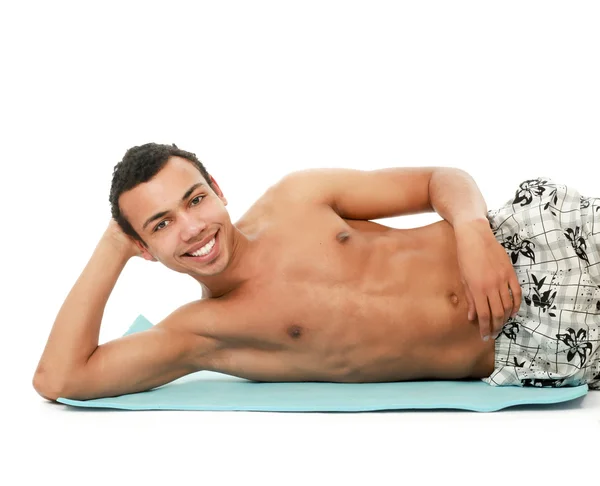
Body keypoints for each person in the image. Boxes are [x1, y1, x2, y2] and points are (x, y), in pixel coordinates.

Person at [33, 143, 600, 401]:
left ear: (219, 192)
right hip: (542, 344)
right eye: (160, 225)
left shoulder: (296, 197)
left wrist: (474, 232)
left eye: (196, 199)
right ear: (144, 248)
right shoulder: (205, 332)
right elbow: (61, 380)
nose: (192, 228)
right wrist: (112, 246)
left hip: (536, 238)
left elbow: (438, 180)